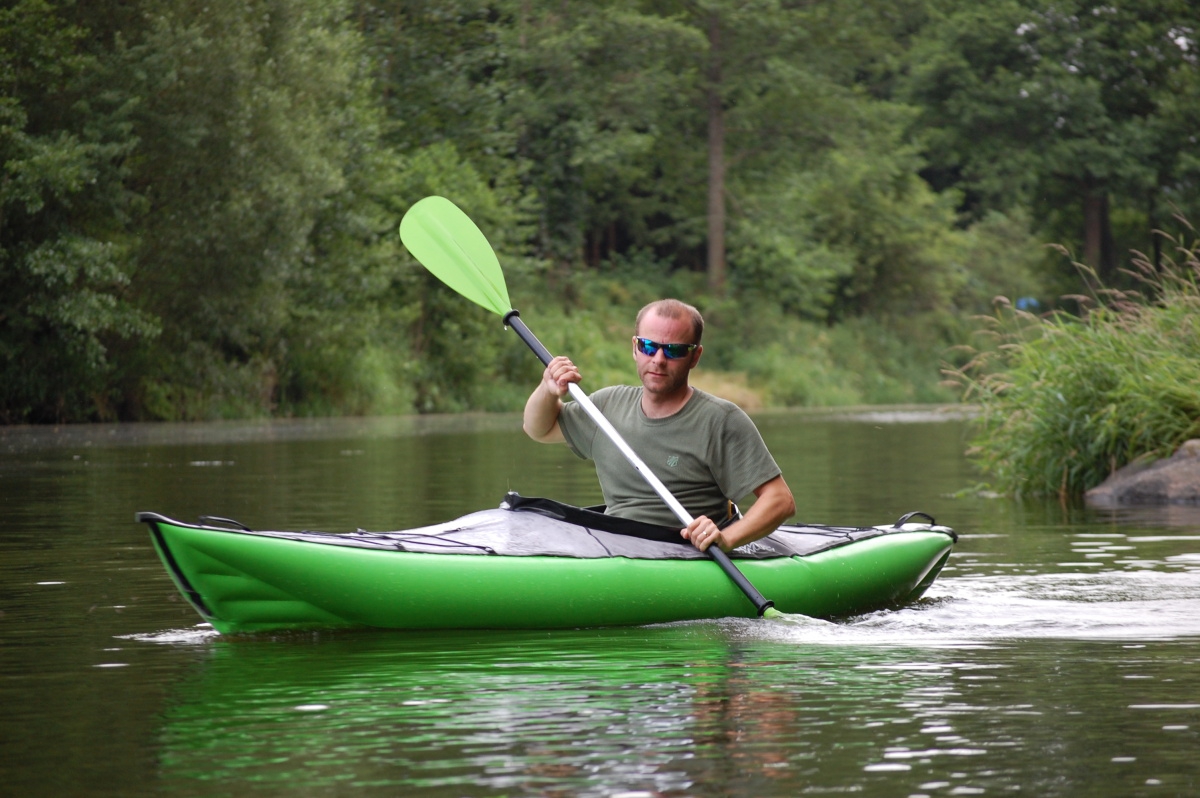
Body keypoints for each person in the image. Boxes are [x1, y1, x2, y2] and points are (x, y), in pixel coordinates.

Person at [523, 298, 795, 553]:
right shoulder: (606, 406)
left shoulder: (721, 420)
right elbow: (539, 429)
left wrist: (727, 539)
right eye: (649, 347)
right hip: (615, 549)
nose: (659, 359)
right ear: (635, 348)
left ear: (695, 356)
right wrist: (548, 389)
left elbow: (780, 500)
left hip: (684, 552)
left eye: (674, 350)